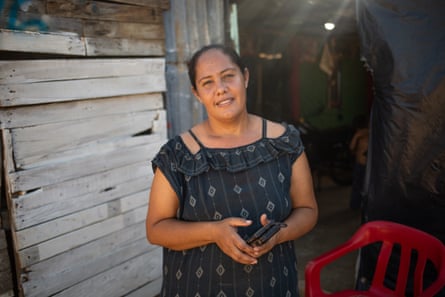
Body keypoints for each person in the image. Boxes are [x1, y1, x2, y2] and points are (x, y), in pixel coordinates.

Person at [145, 44, 318, 296]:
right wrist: (213, 232)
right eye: (207, 82)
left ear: (245, 77)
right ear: (196, 93)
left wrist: (278, 235)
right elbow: (156, 228)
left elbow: (308, 210)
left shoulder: (284, 143)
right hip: (195, 288)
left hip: (273, 286)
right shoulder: (177, 155)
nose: (221, 89)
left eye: (228, 76)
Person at [348, 115, 369, 210]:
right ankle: (356, 204)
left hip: (364, 165)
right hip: (361, 164)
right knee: (358, 185)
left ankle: (360, 205)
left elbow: (351, 147)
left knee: (362, 186)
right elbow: (352, 148)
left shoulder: (366, 134)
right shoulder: (360, 135)